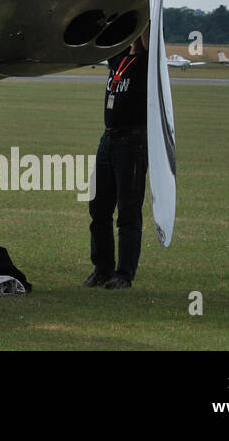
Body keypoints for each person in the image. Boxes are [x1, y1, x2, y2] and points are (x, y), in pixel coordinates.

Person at [83, 27, 150, 290]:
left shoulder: (145, 63)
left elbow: (149, 34)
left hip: (132, 140)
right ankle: (102, 269)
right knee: (98, 208)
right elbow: (106, 34)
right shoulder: (119, 57)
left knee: (128, 211)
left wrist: (143, 8)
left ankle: (124, 274)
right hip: (108, 138)